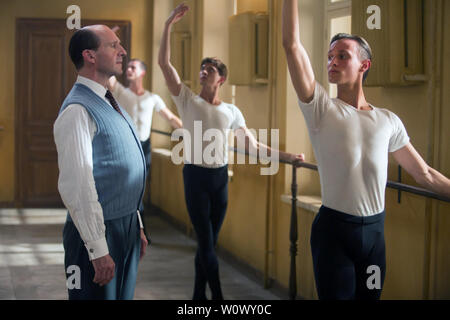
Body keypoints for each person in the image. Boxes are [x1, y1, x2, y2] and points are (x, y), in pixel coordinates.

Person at [282, 0, 450, 300]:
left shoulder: (388, 121)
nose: (332, 62)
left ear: (364, 65)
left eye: (342, 56)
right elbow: (291, 45)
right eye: (330, 56)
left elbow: (424, 174)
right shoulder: (320, 109)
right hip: (334, 234)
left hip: (374, 238)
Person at [159, 3, 304, 300]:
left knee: (208, 242)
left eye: (209, 70)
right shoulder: (187, 100)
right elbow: (164, 65)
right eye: (202, 68)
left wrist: (287, 158)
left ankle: (198, 295)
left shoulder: (231, 111)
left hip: (220, 179)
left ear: (220, 79)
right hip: (195, 178)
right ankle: (220, 299)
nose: (203, 72)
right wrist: (168, 26)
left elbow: (253, 145)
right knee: (207, 243)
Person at [54, 25, 148, 300]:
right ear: (90, 56)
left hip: (125, 226)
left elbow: (117, 167)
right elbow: (78, 185)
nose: (123, 51)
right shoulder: (77, 110)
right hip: (97, 233)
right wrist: (97, 248)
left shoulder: (109, 101)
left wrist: (136, 222)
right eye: (113, 45)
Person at [108, 58, 182, 240]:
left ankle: (138, 230)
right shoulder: (120, 92)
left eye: (133, 67)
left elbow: (171, 119)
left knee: (138, 189)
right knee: (124, 188)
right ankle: (127, 230)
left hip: (144, 148)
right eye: (127, 67)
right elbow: (109, 74)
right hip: (125, 147)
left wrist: (192, 133)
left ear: (142, 73)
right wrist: (108, 48)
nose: (128, 70)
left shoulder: (152, 98)